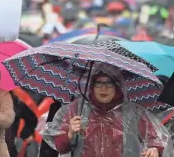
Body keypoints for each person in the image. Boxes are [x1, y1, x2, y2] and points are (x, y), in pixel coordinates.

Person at [41, 63, 173, 157]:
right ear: (91, 86)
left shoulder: (134, 112)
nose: (103, 88)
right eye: (98, 83)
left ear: (117, 86)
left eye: (109, 83)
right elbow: (60, 147)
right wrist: (69, 134)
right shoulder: (75, 110)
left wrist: (154, 149)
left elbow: (156, 139)